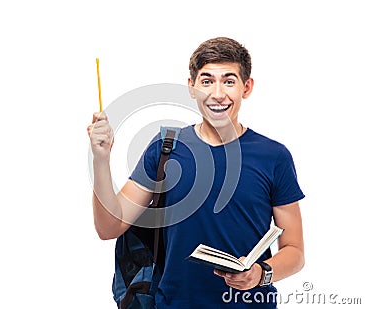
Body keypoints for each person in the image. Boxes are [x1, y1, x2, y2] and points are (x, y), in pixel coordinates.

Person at [87, 37, 305, 308]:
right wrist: (101, 159)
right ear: (191, 87)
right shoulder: (166, 148)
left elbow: (294, 251)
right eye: (206, 81)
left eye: (228, 81)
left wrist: (261, 274)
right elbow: (110, 226)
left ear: (246, 87)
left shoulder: (274, 156)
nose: (217, 93)